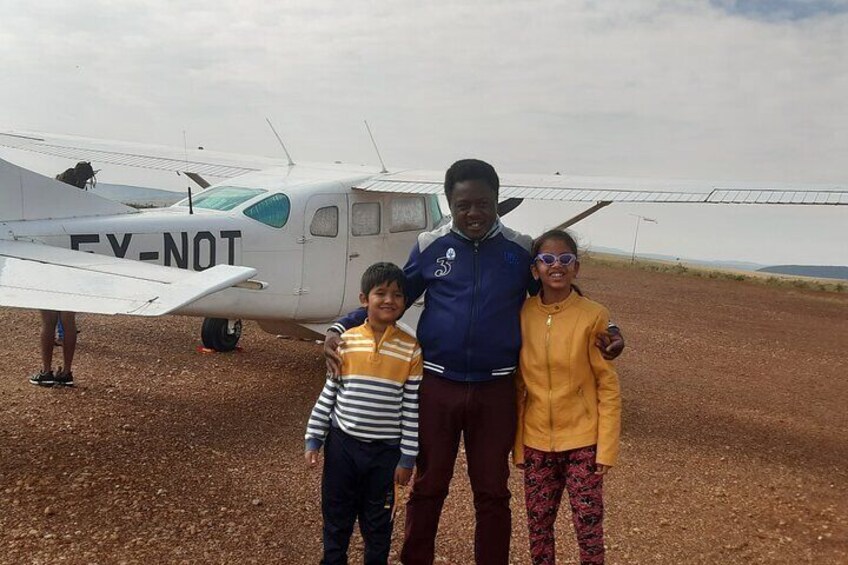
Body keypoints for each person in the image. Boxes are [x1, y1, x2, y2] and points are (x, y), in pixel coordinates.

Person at [323, 159, 625, 565]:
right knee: (429, 485)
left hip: (496, 389)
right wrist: (340, 327)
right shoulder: (431, 246)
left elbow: (562, 292)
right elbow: (392, 297)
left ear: (497, 201)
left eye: (483, 203)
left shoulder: (519, 250)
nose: (474, 213)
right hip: (437, 386)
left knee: (492, 492)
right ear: (449, 202)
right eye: (463, 205)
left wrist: (613, 330)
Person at [514, 229, 621, 565]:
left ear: (576, 267)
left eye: (564, 259)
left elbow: (607, 384)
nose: (555, 266)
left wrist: (606, 446)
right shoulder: (522, 314)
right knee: (539, 528)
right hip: (535, 441)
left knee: (589, 530)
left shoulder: (594, 315)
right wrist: (518, 444)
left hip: (583, 442)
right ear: (535, 270)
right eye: (546, 260)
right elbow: (519, 386)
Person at [306, 262, 422, 565]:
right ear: (363, 299)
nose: (389, 300)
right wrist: (313, 438)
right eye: (380, 293)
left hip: (385, 453)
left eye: (397, 295)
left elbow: (411, 409)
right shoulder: (343, 343)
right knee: (336, 515)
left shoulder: (411, 349)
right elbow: (329, 393)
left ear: (405, 302)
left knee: (379, 524)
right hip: (342, 447)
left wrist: (407, 458)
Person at [28, 162, 95, 386]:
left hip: (49, 265)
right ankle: (66, 371)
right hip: (73, 267)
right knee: (68, 321)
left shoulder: (49, 205)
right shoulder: (85, 206)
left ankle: (46, 371)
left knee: (48, 322)